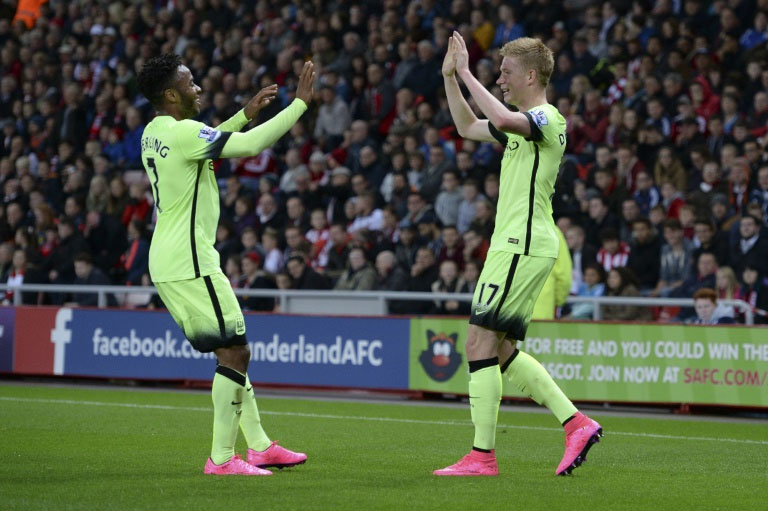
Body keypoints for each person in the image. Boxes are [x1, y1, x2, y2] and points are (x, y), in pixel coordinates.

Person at [434, 34, 601, 478]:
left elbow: (506, 119)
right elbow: (469, 127)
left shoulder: (546, 117)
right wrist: (451, 78)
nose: (500, 78)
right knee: (502, 350)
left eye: (506, 71)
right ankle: (577, 424)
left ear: (531, 75)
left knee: (478, 343)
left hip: (520, 245)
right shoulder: (523, 122)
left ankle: (481, 456)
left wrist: (468, 71)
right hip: (515, 244)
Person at [137, 53, 308, 476]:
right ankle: (222, 459)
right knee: (236, 350)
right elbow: (248, 147)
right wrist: (300, 104)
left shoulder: (153, 132)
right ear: (171, 94)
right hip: (190, 260)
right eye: (190, 83)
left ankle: (262, 446)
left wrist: (241, 115)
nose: (198, 88)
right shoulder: (184, 133)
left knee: (229, 351)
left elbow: (204, 143)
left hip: (170, 257)